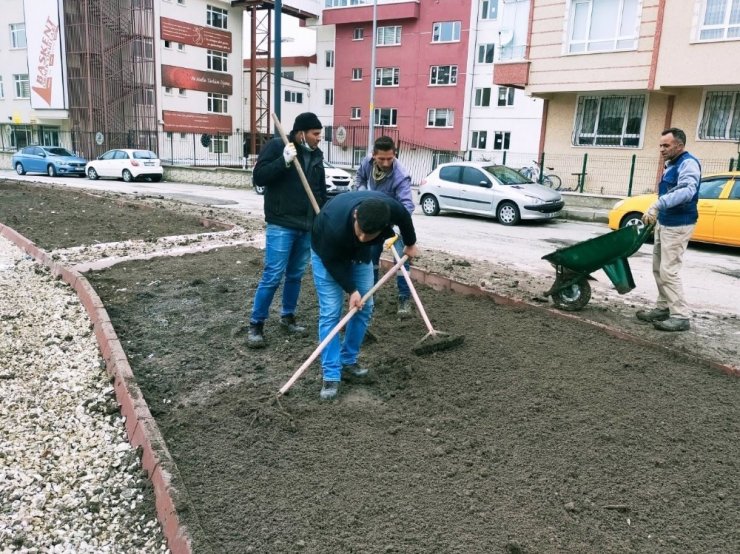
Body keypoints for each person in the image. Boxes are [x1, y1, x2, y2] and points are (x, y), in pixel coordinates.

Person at [311, 191, 418, 400]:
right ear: (356, 215)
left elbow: (405, 217)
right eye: (360, 231)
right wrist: (352, 290)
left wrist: (411, 243)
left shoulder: (389, 209)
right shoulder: (332, 223)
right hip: (327, 255)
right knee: (331, 312)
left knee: (365, 307)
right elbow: (332, 262)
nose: (361, 237)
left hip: (360, 256)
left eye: (368, 235)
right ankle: (331, 374)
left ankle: (348, 361)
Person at [246, 112, 327, 348]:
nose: (318, 139)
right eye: (315, 134)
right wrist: (283, 162)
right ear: (301, 133)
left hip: (306, 226)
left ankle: (288, 316)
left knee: (295, 275)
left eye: (319, 134)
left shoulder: (316, 156)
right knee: (273, 275)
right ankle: (256, 324)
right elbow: (259, 178)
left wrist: (321, 218)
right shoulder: (277, 146)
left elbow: (319, 191)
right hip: (281, 223)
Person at [636, 127, 700, 332]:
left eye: (666, 145)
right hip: (665, 222)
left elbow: (687, 191)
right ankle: (663, 307)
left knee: (669, 271)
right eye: (660, 145)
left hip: (679, 224)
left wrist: (657, 205)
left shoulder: (688, 163)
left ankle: (680, 316)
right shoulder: (671, 164)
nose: (661, 149)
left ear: (679, 145)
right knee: (658, 268)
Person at [354, 136, 415, 315]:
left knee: (402, 261)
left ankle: (404, 299)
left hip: (395, 221)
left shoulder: (400, 175)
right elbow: (359, 178)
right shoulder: (367, 163)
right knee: (370, 257)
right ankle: (370, 295)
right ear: (374, 156)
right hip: (374, 219)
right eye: (382, 159)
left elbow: (407, 205)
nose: (386, 162)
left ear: (394, 155)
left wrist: (397, 227)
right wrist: (361, 191)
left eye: (390, 158)